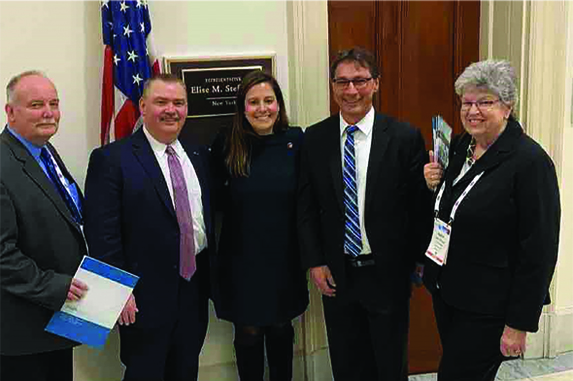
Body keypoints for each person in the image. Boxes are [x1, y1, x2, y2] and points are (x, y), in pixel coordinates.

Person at [423, 59, 560, 381]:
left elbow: (538, 250)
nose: (473, 111)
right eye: (466, 102)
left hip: (490, 304)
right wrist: (435, 184)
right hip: (449, 290)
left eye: (485, 102)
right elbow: (459, 209)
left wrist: (519, 323)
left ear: (508, 107)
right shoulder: (461, 146)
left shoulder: (530, 162)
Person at [297, 47, 430, 381]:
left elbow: (417, 207)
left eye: (359, 80)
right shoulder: (314, 138)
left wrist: (417, 260)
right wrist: (314, 261)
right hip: (337, 274)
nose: (350, 90)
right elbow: (307, 205)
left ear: (376, 84)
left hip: (388, 274)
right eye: (342, 81)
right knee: (347, 364)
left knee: (389, 365)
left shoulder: (403, 137)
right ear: (332, 86)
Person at [84, 74, 213, 381]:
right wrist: (118, 292)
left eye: (178, 103)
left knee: (186, 369)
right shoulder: (112, 159)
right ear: (143, 106)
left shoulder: (198, 154)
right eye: (161, 102)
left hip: (193, 290)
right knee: (145, 372)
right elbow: (103, 234)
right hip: (143, 297)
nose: (171, 110)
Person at [211, 70, 309, 381]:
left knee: (281, 329)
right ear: (242, 108)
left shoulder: (296, 140)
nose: (262, 108)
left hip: (284, 258)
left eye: (269, 100)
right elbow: (211, 201)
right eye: (253, 102)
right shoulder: (227, 143)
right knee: (248, 333)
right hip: (241, 260)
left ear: (279, 105)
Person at [0, 71, 89, 381]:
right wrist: (56, 287)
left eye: (54, 103)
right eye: (37, 104)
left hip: (55, 322)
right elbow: (2, 256)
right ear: (10, 112)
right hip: (21, 334)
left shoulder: (45, 153)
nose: (49, 112)